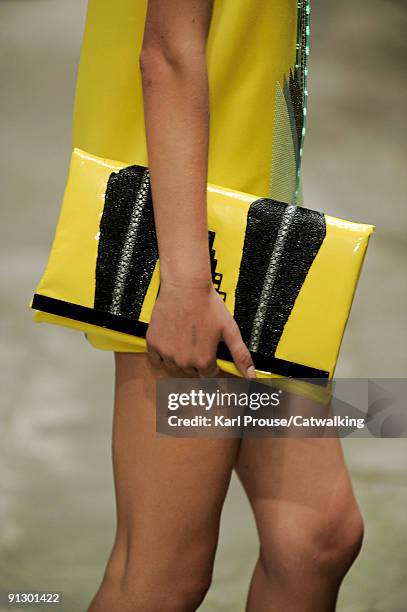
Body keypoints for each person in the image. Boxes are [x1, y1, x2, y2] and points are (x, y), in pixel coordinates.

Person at [69, 1, 365, 610]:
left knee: (315, 538)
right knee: (159, 575)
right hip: (195, 246)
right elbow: (170, 51)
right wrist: (184, 284)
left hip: (253, 232)